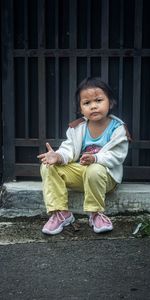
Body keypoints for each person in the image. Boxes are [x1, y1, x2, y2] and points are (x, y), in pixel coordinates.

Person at [37, 77, 129, 235]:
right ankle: (61, 213)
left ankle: (95, 213)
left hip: (105, 177)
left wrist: (96, 158)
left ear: (110, 102)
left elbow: (117, 156)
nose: (93, 106)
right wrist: (58, 156)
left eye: (99, 100)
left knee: (94, 169)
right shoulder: (77, 127)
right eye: (87, 103)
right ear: (81, 108)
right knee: (48, 166)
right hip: (81, 174)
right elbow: (69, 149)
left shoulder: (118, 129)